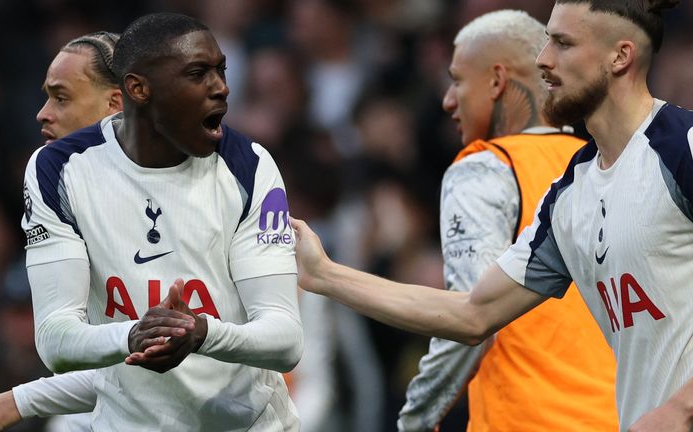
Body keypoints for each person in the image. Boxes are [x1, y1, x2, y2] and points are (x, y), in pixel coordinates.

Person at [291, 1, 692, 431]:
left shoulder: (682, 146)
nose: (543, 59)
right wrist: (325, 276)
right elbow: (472, 314)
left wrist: (680, 408)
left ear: (620, 56)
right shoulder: (570, 194)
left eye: (563, 43)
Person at [0, 13, 304, 432]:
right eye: (199, 73)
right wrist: (131, 338)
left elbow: (286, 338)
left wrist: (200, 332)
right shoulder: (57, 172)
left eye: (220, 71)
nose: (221, 88)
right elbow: (63, 342)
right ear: (137, 90)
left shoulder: (248, 167)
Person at [397, 9, 618, 432]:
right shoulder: (603, 166)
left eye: (457, 80)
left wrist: (416, 419)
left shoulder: (483, 166)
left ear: (497, 81)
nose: (447, 100)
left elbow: (469, 319)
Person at [0, 31, 124, 432]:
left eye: (61, 97)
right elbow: (61, 348)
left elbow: (161, 365)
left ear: (114, 104)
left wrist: (19, 399)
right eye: (46, 96)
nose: (42, 113)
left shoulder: (191, 194)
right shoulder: (53, 183)